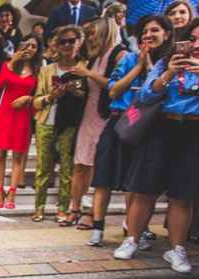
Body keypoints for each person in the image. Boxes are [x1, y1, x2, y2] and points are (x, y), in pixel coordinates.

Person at [114, 17, 199, 274]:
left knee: (182, 195)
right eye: (193, 38)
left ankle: (176, 249)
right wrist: (169, 73)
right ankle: (131, 239)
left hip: (196, 131)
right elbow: (145, 95)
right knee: (144, 189)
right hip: (163, 127)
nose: (196, 45)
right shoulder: (168, 59)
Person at [88, 15, 173, 247]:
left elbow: (160, 92)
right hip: (120, 122)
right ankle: (97, 227)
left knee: (135, 181)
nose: (148, 35)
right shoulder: (128, 58)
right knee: (104, 176)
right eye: (145, 31)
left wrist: (149, 66)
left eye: (154, 30)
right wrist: (138, 66)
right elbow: (114, 91)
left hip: (148, 127)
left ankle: (134, 228)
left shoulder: (169, 63)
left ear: (166, 34)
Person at [63, 18, 126, 229]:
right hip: (87, 115)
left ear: (105, 32)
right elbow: (90, 90)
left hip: (106, 116)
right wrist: (75, 89)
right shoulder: (94, 57)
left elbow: (117, 86)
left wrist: (88, 73)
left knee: (98, 166)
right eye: (88, 34)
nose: (90, 38)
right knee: (80, 164)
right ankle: (74, 208)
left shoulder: (120, 54)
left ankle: (93, 213)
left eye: (92, 33)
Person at [31, 25, 88, 223]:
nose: (67, 45)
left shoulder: (85, 68)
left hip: (72, 124)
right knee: (43, 168)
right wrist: (51, 96)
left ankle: (63, 209)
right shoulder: (47, 70)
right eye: (62, 41)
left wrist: (75, 92)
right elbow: (36, 101)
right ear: (56, 45)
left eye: (71, 41)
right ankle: (39, 207)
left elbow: (90, 98)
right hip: (46, 121)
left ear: (79, 42)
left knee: (67, 169)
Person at [0, 34, 41, 210]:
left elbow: (40, 95)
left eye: (33, 46)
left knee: (18, 156)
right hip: (6, 113)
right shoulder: (8, 65)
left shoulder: (38, 70)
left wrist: (29, 98)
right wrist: (12, 62)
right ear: (20, 47)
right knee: (1, 154)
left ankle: (12, 193)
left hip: (23, 115)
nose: (29, 49)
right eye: (26, 45)